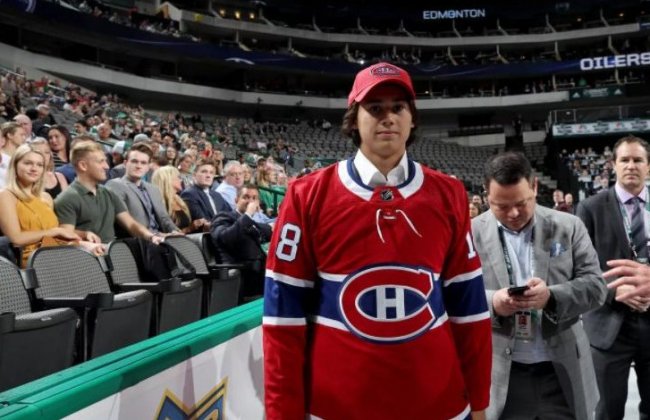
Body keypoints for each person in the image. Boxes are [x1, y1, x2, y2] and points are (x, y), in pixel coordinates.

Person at [263, 62, 491, 419]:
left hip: (438, 403)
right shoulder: (307, 195)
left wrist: (479, 401)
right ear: (354, 119)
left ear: (412, 119)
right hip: (338, 407)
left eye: (398, 107)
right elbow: (282, 320)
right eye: (375, 108)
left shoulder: (449, 193)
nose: (388, 117)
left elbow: (470, 309)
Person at [471, 151, 606, 419]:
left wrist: (551, 297)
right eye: (501, 206)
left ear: (534, 187)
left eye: (521, 203)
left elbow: (596, 287)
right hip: (502, 374)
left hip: (562, 372)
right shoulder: (469, 233)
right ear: (487, 196)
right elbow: (452, 295)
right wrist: (493, 302)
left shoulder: (569, 226)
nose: (513, 213)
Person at [576, 135, 650, 420]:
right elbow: (578, 267)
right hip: (609, 325)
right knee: (607, 412)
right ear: (613, 165)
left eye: (638, 160)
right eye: (625, 160)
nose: (631, 165)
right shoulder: (590, 208)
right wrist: (615, 291)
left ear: (648, 166)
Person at [0, 144, 104, 267]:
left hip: (55, 250)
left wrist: (84, 234)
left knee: (100, 254)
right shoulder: (6, 195)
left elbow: (55, 230)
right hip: (33, 259)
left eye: (39, 165)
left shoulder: (45, 197)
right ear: (15, 165)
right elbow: (16, 238)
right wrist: (55, 231)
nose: (34, 168)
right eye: (28, 163)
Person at [54, 140, 165, 244]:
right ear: (83, 165)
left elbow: (131, 224)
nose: (107, 166)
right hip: (87, 256)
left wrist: (151, 237)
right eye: (101, 161)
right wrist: (84, 234)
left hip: (113, 253)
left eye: (105, 161)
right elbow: (66, 236)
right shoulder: (67, 198)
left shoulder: (109, 193)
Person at [210, 184, 272, 302]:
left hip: (260, 275)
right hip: (241, 277)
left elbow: (267, 232)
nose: (250, 201)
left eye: (254, 198)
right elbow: (227, 238)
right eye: (246, 197)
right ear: (236, 200)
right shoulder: (223, 217)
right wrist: (247, 215)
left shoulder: (252, 223)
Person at [106, 143, 182, 236]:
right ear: (125, 164)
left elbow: (164, 219)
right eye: (134, 161)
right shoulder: (115, 185)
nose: (139, 166)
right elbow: (128, 223)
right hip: (136, 240)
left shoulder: (154, 189)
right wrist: (158, 236)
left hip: (162, 238)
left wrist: (177, 233)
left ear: (148, 167)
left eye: (143, 163)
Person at [180, 157, 229, 231]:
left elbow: (229, 216)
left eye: (211, 173)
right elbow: (203, 223)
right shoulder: (189, 194)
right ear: (194, 175)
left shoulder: (217, 195)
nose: (208, 176)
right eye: (204, 172)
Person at [151, 166, 203, 234]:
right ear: (168, 180)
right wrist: (189, 229)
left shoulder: (180, 201)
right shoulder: (158, 204)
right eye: (178, 177)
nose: (181, 180)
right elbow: (161, 234)